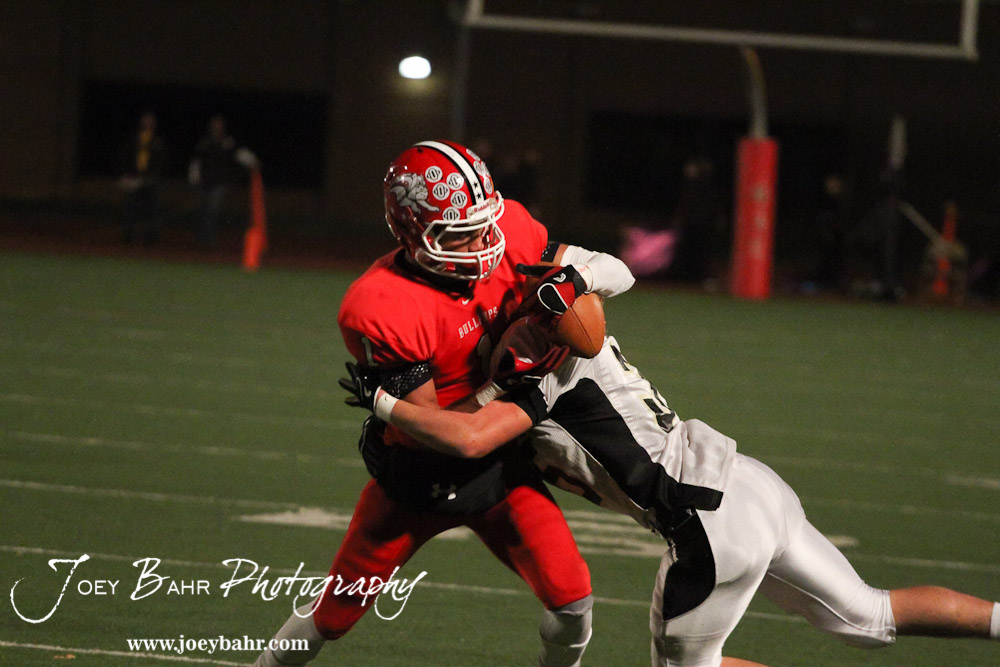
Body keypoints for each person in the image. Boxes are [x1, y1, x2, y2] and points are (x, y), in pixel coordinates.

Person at [342, 271, 1000, 666]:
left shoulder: (538, 381)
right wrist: (565, 286)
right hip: (750, 484)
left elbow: (466, 437)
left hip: (705, 520)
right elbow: (602, 274)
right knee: (869, 617)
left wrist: (386, 402)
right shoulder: (583, 336)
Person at [254, 140, 639, 667]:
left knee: (573, 602)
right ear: (412, 232)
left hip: (500, 467)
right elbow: (438, 432)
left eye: (484, 224)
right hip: (419, 479)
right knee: (332, 618)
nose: (483, 243)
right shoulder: (381, 305)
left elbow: (617, 272)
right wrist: (508, 385)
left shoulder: (511, 231)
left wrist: (576, 281)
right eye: (461, 233)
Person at [188, 114, 258, 249]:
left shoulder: (228, 142)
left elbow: (241, 154)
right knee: (202, 210)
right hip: (204, 182)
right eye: (215, 124)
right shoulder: (205, 142)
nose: (217, 127)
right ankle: (201, 239)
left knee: (212, 209)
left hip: (220, 183)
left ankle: (210, 241)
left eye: (219, 124)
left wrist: (253, 162)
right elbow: (196, 160)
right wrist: (194, 176)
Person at [119, 110, 166, 246]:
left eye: (151, 121)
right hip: (134, 179)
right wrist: (126, 175)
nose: (148, 123)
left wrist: (155, 176)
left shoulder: (158, 141)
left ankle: (151, 237)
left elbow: (162, 161)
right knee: (130, 208)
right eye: (146, 120)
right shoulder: (134, 138)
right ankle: (127, 236)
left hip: (151, 180)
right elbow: (125, 157)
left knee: (151, 209)